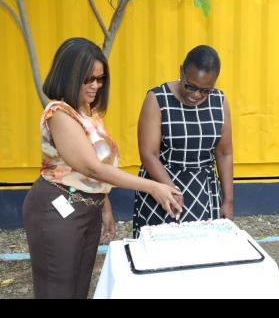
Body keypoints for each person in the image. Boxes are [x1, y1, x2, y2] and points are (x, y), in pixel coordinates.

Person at [22, 37, 182, 299]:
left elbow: (96, 169)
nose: (96, 85)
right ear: (69, 75)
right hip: (57, 207)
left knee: (79, 287)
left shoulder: (86, 110)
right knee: (58, 290)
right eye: (89, 79)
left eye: (100, 79)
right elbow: (91, 167)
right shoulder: (59, 114)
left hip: (87, 207)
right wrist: (153, 186)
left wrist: (104, 204)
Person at [133, 45, 233, 237]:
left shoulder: (220, 101)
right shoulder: (157, 98)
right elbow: (148, 154)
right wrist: (172, 191)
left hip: (204, 191)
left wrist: (228, 200)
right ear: (181, 71)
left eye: (205, 91)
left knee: (201, 254)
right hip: (162, 187)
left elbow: (224, 153)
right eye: (190, 86)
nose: (196, 95)